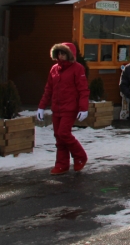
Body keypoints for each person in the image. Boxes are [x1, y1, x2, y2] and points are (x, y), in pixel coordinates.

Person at [36, 43, 90, 175]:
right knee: (59, 137)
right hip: (57, 108)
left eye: (64, 53)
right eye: (59, 53)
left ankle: (80, 156)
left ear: (70, 54)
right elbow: (49, 89)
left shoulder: (77, 68)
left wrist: (83, 108)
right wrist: (41, 107)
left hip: (70, 108)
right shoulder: (54, 69)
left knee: (63, 133)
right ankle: (61, 164)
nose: (61, 56)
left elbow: (83, 89)